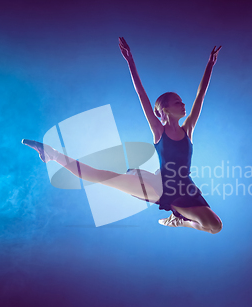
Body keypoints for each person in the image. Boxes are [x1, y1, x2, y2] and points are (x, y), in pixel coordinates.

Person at [22, 37, 222, 234]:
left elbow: (200, 95)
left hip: (185, 187)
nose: (184, 105)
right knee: (99, 175)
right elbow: (141, 94)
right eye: (178, 102)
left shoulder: (187, 130)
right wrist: (130, 62)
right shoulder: (159, 131)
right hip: (158, 185)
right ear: (165, 110)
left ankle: (178, 221)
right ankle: (52, 153)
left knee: (215, 226)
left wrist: (210, 64)